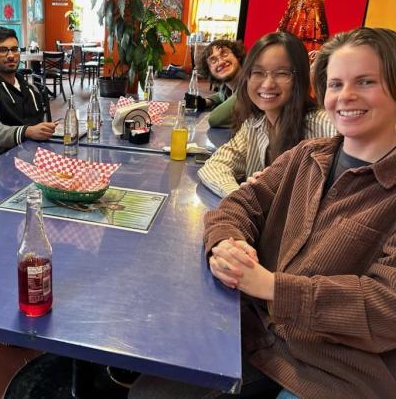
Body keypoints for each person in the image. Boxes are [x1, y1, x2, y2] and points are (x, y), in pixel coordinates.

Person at [133, 27, 396, 398]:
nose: (345, 96)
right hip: (253, 332)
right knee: (150, 390)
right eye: (336, 84)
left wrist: (271, 287)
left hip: (329, 370)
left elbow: (386, 308)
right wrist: (227, 244)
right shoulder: (308, 156)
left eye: (366, 81)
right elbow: (240, 203)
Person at [198, 32, 336, 197]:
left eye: (282, 73)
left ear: (299, 78)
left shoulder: (327, 127)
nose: (268, 84)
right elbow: (214, 166)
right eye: (258, 72)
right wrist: (242, 198)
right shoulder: (255, 124)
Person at [0, 26, 56, 157]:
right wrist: (27, 132)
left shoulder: (30, 88)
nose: (11, 56)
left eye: (15, 49)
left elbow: (39, 124)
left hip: (36, 155)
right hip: (3, 164)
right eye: (3, 50)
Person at [198, 39, 245, 128]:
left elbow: (215, 119)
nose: (221, 62)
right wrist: (204, 102)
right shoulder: (227, 87)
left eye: (224, 54)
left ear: (237, 55)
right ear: (209, 71)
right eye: (213, 60)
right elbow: (220, 95)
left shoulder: (249, 85)